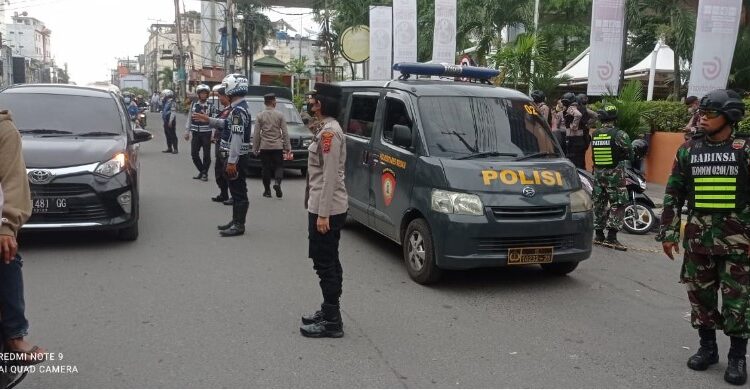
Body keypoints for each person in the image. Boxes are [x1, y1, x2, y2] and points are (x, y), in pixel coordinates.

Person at [657, 89, 748, 386]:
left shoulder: (744, 150)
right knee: (701, 296)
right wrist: (669, 232)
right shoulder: (688, 149)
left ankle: (736, 357)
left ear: (730, 116)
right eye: (702, 113)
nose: (703, 119)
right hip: (698, 240)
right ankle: (707, 348)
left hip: (739, 241)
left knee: (738, 300)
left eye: (710, 114)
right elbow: (674, 192)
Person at [0, 110, 46, 366]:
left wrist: (6, 226)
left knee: (6, 256)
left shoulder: (3, 130)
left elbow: (14, 182)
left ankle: (14, 334)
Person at [300, 94, 348, 338]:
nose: (310, 103)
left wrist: (323, 214)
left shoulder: (330, 133)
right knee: (328, 260)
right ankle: (329, 310)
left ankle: (332, 322)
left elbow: (329, 176)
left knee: (325, 263)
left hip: (326, 208)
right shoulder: (325, 129)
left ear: (321, 104)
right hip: (323, 205)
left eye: (314, 100)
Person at [590, 105, 632, 251]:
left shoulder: (595, 134)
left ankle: (599, 235)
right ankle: (611, 238)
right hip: (614, 175)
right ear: (615, 118)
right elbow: (629, 152)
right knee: (618, 203)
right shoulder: (619, 134)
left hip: (598, 174)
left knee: (599, 203)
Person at [214, 74, 251, 237]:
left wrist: (231, 162)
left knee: (238, 191)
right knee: (236, 189)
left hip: (235, 157)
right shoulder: (238, 108)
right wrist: (208, 120)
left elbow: (236, 137)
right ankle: (235, 220)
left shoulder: (238, 111)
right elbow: (226, 124)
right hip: (233, 156)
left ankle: (239, 224)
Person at [252, 93, 291, 198]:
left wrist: (255, 148)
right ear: (274, 102)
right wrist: (288, 147)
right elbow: (285, 132)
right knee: (279, 166)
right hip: (277, 146)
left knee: (265, 168)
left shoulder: (260, 115)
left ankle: (267, 191)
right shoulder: (280, 115)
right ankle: (277, 183)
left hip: (264, 146)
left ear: (265, 103)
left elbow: (256, 134)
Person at [185, 84, 213, 182]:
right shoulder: (194, 105)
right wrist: (187, 131)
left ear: (207, 95)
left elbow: (214, 120)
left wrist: (213, 133)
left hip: (207, 133)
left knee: (206, 155)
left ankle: (204, 173)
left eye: (205, 93)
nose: (203, 95)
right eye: (201, 93)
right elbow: (189, 118)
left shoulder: (210, 105)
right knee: (194, 154)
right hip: (195, 133)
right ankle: (202, 171)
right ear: (198, 94)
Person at [563, 93, 596, 169]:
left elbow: (578, 115)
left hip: (573, 139)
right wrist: (587, 125)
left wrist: (574, 126)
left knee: (572, 161)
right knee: (581, 160)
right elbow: (595, 115)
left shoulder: (571, 108)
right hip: (583, 139)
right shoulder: (584, 109)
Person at [161, 89, 178, 154]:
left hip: (171, 120)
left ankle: (175, 149)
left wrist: (170, 121)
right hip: (166, 120)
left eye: (164, 95)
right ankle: (169, 148)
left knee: (172, 134)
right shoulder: (166, 102)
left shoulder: (172, 102)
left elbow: (173, 112)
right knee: (167, 134)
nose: (163, 96)